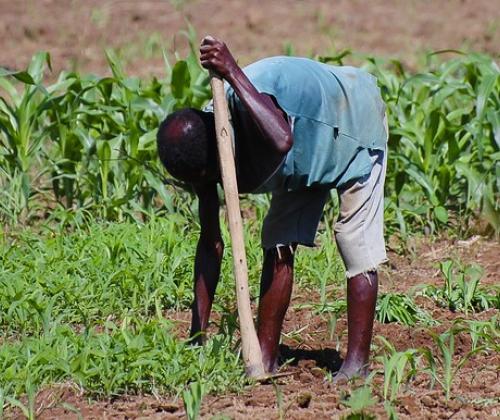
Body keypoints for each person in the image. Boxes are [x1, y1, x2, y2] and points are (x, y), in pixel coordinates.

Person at [156, 36, 388, 380]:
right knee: (277, 241)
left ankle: (357, 365)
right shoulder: (201, 156)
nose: (206, 184)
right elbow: (210, 243)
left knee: (355, 242)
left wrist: (231, 69)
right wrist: (197, 335)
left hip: (352, 120)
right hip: (303, 160)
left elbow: (281, 139)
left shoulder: (243, 109)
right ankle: (265, 358)